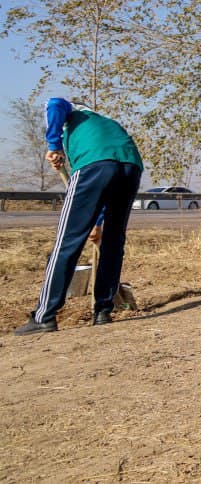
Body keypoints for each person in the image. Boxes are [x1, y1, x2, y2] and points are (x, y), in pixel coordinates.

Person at [15, 98, 144, 335]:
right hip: (130, 165)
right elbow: (108, 172)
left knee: (67, 241)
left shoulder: (72, 112)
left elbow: (54, 103)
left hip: (94, 165)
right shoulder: (104, 124)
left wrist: (53, 145)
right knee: (113, 242)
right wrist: (96, 224)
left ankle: (45, 315)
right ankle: (103, 311)